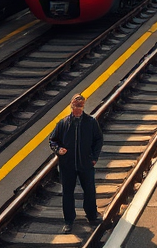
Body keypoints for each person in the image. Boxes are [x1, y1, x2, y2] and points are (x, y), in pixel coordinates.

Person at [48, 94, 104, 232]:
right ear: (71, 106)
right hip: (67, 165)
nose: (78, 108)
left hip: (85, 163)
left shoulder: (91, 122)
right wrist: (58, 149)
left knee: (89, 190)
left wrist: (94, 157)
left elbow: (98, 140)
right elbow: (52, 139)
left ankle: (91, 215)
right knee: (67, 193)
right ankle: (68, 220)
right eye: (76, 105)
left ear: (83, 106)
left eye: (80, 106)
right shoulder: (63, 123)